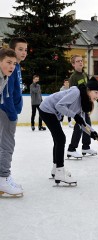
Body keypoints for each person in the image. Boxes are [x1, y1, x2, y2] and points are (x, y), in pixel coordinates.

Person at [39, 78, 98, 185]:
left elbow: (82, 123)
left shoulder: (84, 100)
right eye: (96, 92)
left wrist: (92, 132)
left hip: (52, 112)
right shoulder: (76, 92)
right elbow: (59, 106)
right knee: (60, 139)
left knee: (58, 139)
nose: (97, 96)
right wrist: (74, 115)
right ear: (88, 90)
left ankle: (56, 169)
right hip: (47, 109)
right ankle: (60, 171)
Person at [0, 37, 28, 196]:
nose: (24, 52)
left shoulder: (15, 67)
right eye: (20, 49)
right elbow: (7, 94)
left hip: (9, 110)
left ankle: (3, 177)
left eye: (25, 49)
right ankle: (3, 178)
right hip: (7, 111)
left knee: (4, 144)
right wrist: (12, 113)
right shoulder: (9, 68)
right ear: (12, 50)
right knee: (7, 145)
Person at [67, 54, 97, 158]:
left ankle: (85, 147)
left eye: (81, 60)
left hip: (85, 105)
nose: (80, 62)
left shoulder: (84, 75)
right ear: (73, 64)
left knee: (87, 125)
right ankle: (71, 149)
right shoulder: (73, 77)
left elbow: (88, 90)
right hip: (78, 107)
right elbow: (72, 94)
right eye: (78, 61)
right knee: (79, 126)